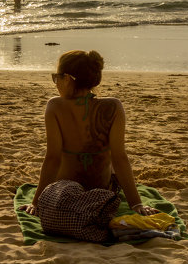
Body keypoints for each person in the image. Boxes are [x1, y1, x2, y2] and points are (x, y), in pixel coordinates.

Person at [23, 50, 157, 217]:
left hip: (65, 190)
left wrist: (36, 202)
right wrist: (136, 203)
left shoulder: (55, 106)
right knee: (113, 166)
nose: (55, 83)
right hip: (102, 190)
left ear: (67, 78)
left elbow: (53, 158)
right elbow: (119, 157)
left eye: (56, 78)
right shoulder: (114, 106)